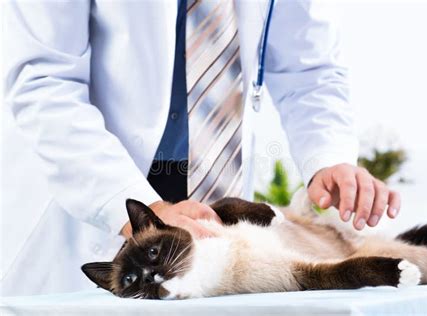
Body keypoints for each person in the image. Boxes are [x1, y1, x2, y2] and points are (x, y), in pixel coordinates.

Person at [1, 0, 400, 296]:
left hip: (211, 204)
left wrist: (327, 156)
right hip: (96, 192)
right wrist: (133, 205)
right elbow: (44, 81)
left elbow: (308, 66)